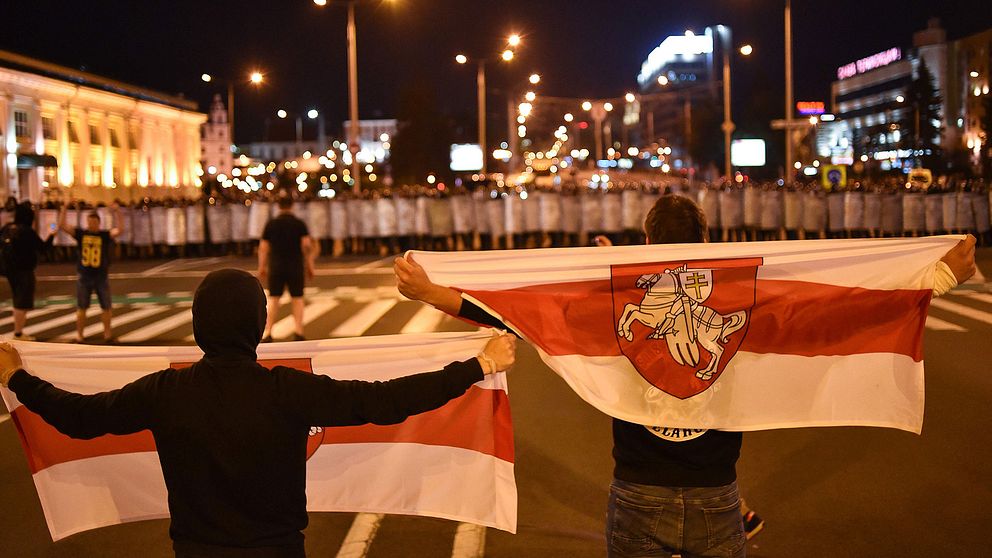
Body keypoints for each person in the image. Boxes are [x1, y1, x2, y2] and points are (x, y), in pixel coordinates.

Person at [395, 195, 978, 558]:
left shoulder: (613, 301)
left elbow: (524, 309)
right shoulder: (747, 302)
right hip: (717, 495)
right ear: (706, 242)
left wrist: (436, 293)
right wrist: (938, 281)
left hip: (636, 491)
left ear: (646, 243)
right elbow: (836, 313)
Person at [0, 268, 516, 557]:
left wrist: (16, 376)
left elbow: (80, 417)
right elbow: (384, 400)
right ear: (258, 325)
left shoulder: (166, 391)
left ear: (200, 324)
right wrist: (477, 364)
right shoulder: (286, 390)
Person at [58, 203, 123, 343]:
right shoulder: (81, 234)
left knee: (106, 306)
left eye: (94, 222)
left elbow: (120, 230)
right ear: (87, 222)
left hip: (101, 275)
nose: (92, 224)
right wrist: (64, 209)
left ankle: (107, 334)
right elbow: (63, 226)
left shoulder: (104, 235)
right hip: (85, 275)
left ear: (99, 223)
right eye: (89, 222)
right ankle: (79, 335)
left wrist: (118, 212)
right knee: (82, 306)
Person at [258, 196, 316, 342]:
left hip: (276, 266)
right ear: (292, 206)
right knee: (297, 298)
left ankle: (268, 331)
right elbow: (306, 246)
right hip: (295, 266)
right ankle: (298, 331)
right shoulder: (299, 224)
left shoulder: (271, 224)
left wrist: (262, 267)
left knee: (274, 299)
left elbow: (264, 248)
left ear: (278, 206)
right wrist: (310, 265)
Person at [2, 202, 56, 340]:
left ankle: (18, 331)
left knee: (17, 298)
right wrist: (52, 235)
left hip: (9, 269)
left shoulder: (7, 228)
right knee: (22, 301)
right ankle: (18, 333)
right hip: (24, 270)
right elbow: (43, 248)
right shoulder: (27, 231)